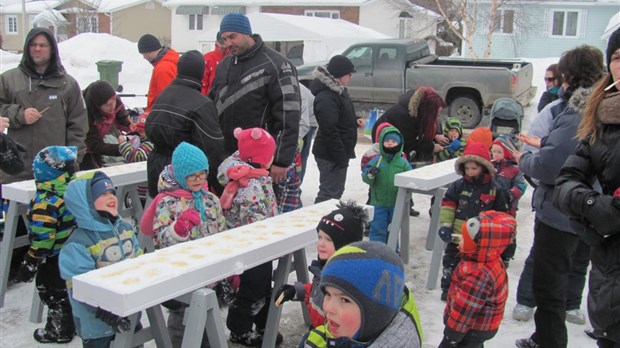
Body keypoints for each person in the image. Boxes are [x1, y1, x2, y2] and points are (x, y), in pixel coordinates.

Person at [514, 44, 604, 348]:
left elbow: (553, 166)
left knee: (549, 283)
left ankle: (549, 341)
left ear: (568, 75)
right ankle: (546, 335)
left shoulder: (579, 110)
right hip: (592, 208)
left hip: (564, 211)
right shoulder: (604, 104)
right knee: (575, 268)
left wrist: (524, 159)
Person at [554, 27, 620, 348]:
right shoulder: (601, 122)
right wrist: (595, 212)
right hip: (610, 286)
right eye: (619, 58)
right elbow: (565, 183)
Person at [140, 142, 226, 347]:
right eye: (192, 176)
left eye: (202, 174)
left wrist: (229, 267)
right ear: (180, 175)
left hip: (209, 271)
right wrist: (177, 230)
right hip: (181, 272)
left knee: (209, 321)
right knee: (181, 323)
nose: (199, 180)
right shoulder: (167, 202)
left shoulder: (211, 200)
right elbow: (160, 238)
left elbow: (222, 232)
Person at [209, 12, 301, 187]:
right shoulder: (225, 65)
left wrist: (281, 160)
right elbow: (213, 105)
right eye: (224, 39)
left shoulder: (277, 64)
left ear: (247, 32)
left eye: (232, 37)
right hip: (226, 158)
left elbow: (289, 114)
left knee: (260, 212)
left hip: (261, 159)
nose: (228, 43)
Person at [59, 171, 142, 347]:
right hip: (98, 325)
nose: (111, 197)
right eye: (103, 194)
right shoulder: (78, 244)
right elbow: (81, 289)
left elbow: (139, 262)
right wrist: (108, 315)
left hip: (130, 314)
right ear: (85, 203)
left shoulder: (125, 229)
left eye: (112, 192)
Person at [217, 127, 280, 346]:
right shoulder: (250, 184)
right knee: (252, 289)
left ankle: (263, 324)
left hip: (259, 246)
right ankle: (239, 330)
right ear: (263, 158)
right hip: (251, 246)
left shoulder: (254, 176)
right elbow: (254, 222)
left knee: (263, 286)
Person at [0, 27, 87, 184]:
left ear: (52, 49)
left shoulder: (68, 84)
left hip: (54, 170)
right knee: (18, 209)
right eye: (33, 44)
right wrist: (20, 115)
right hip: (18, 167)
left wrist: (72, 161)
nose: (37, 49)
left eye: (43, 45)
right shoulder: (8, 79)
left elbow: (78, 128)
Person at [301, 241, 423, 348]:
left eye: (344, 300)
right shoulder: (315, 341)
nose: (327, 308)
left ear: (376, 314)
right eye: (328, 294)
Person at [12, 146, 77, 343]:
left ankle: (58, 329)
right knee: (66, 292)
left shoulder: (46, 203)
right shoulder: (72, 191)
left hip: (53, 258)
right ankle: (70, 323)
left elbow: (43, 239)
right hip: (71, 252)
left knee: (51, 293)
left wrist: (31, 260)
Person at [272, 200, 368, 329]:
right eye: (320, 237)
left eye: (328, 239)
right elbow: (318, 292)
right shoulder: (324, 268)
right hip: (318, 331)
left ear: (345, 245)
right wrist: (296, 291)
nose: (321, 244)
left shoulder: (346, 281)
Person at [145, 50, 225, 198]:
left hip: (157, 171)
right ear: (201, 72)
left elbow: (149, 129)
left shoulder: (163, 95)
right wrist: (221, 188)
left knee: (164, 217)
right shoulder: (202, 104)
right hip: (186, 176)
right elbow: (213, 149)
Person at [437, 142, 510, 302]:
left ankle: (470, 289)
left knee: (474, 266)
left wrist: (501, 239)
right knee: (450, 261)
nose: (470, 172)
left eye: (474, 168)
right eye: (467, 168)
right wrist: (445, 226)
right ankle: (448, 288)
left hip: (480, 238)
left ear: (483, 167)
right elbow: (448, 204)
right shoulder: (458, 186)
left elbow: (501, 215)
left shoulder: (494, 189)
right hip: (458, 235)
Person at [439, 211, 517, 348]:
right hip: (478, 326)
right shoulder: (486, 257)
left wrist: (451, 336)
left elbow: (465, 311)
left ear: (478, 245)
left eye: (464, 238)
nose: (459, 240)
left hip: (472, 329)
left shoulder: (478, 274)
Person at [311, 55, 360, 203]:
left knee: (335, 191)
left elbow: (341, 115)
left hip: (336, 151)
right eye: (348, 74)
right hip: (330, 153)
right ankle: (319, 221)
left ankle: (326, 222)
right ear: (340, 74)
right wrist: (340, 156)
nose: (350, 77)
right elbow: (329, 129)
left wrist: (354, 120)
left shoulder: (338, 91)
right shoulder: (327, 96)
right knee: (329, 193)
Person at [370, 86, 447, 166]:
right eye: (436, 114)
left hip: (401, 136)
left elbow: (427, 123)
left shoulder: (419, 107)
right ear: (428, 111)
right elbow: (408, 142)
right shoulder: (405, 116)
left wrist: (435, 135)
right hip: (386, 139)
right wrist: (431, 147)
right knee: (393, 166)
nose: (438, 116)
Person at [362, 125, 411, 243]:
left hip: (396, 203)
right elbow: (366, 178)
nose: (390, 143)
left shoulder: (403, 163)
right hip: (378, 202)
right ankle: (377, 250)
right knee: (378, 228)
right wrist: (370, 173)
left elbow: (410, 178)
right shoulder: (376, 161)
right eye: (387, 141)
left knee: (393, 228)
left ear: (399, 143)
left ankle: (393, 249)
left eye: (393, 141)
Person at [491, 135, 526, 266]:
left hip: (507, 206)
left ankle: (507, 254)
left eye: (499, 152)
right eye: (493, 151)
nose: (495, 154)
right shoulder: (490, 166)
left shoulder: (515, 169)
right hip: (491, 204)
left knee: (507, 230)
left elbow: (521, 186)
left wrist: (510, 194)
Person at [81, 80, 133, 170]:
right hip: (83, 147)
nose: (113, 106)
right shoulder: (85, 115)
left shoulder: (114, 100)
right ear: (98, 106)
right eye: (108, 104)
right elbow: (94, 145)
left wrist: (130, 125)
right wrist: (122, 149)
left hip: (102, 133)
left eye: (114, 101)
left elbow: (121, 115)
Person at [137, 34, 179, 114]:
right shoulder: (169, 62)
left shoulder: (163, 69)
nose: (144, 57)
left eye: (143, 54)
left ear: (148, 51)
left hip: (160, 116)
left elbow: (166, 101)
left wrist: (148, 115)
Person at [298, 83, 317, 184]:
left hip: (309, 121)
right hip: (297, 119)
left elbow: (304, 124)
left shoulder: (298, 93)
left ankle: (297, 186)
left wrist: (294, 141)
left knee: (300, 156)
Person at [201, 31, 229, 96]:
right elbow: (202, 84)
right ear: (216, 42)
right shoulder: (207, 59)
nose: (224, 44)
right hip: (210, 100)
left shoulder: (235, 58)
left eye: (225, 40)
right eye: (222, 41)